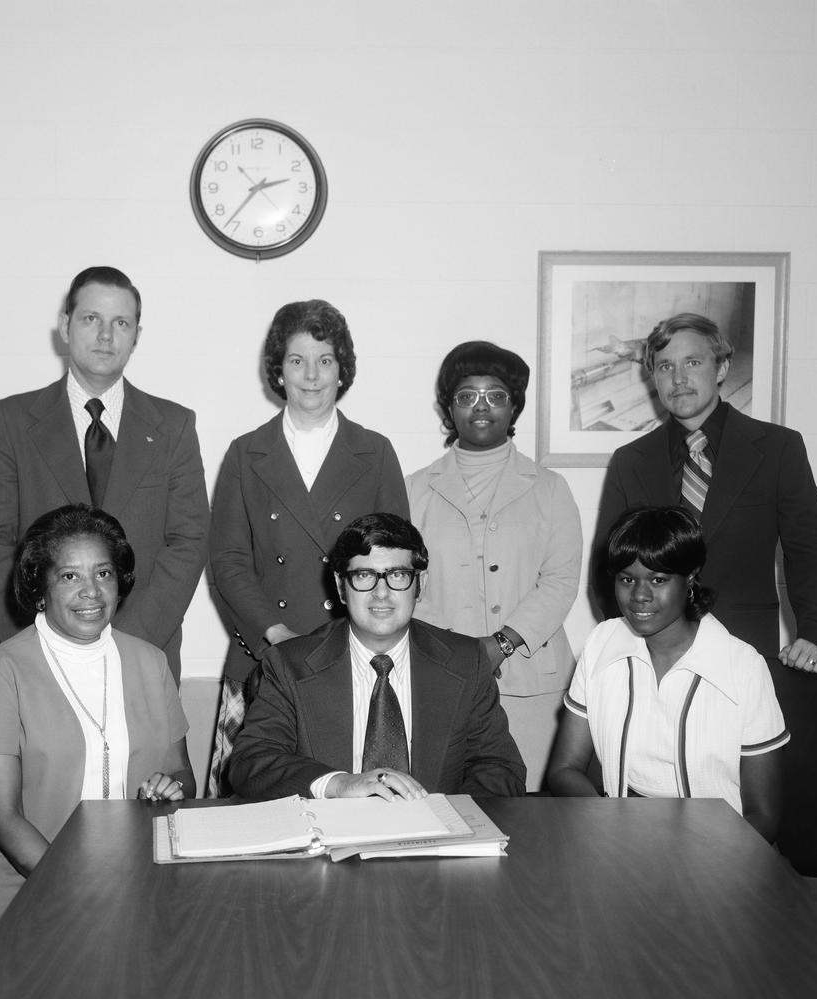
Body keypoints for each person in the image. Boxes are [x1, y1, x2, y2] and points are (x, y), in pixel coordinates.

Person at [0, 505, 194, 955]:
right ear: (39, 589)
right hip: (15, 890)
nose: (91, 592)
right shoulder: (1, 672)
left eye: (104, 573)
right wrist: (88, 891)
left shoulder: (151, 662)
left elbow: (183, 774)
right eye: (69, 576)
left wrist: (169, 789)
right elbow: (2, 820)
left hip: (127, 881)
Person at [0, 266, 209, 680]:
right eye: (91, 319)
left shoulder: (173, 426)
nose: (105, 335)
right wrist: (41, 642)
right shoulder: (11, 420)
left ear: (136, 335)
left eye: (121, 323)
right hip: (39, 662)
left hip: (143, 659)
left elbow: (188, 542)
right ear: (65, 326)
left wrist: (125, 643)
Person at [206, 299, 408, 795]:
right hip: (263, 658)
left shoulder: (375, 451)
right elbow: (227, 562)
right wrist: (275, 634)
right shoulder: (244, 452)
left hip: (350, 660)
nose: (311, 375)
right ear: (278, 371)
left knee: (352, 807)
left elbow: (395, 561)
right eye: (297, 361)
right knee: (248, 815)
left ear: (343, 370)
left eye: (325, 360)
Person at [592, 312, 817, 672]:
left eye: (692, 362)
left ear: (722, 368)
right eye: (664, 367)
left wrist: (816, 634)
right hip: (653, 658)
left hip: (747, 648)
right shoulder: (630, 461)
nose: (678, 379)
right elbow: (607, 567)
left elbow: (811, 550)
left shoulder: (778, 449)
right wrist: (634, 644)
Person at [230, 512, 526, 801]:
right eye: (364, 576)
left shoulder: (466, 661)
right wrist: (339, 784)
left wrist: (444, 816)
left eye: (397, 575)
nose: (381, 593)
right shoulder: (288, 665)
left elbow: (500, 769)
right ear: (340, 587)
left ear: (420, 583)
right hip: (333, 838)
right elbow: (252, 763)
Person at [548, 506, 786, 842]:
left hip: (720, 853)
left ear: (690, 577)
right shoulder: (602, 643)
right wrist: (611, 826)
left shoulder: (742, 667)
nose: (639, 596)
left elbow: (765, 815)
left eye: (658, 580)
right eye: (626, 579)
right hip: (619, 841)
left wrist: (712, 861)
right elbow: (564, 769)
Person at [407, 341, 582, 791]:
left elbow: (560, 581)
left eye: (496, 395)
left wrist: (501, 644)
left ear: (515, 406)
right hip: (441, 685)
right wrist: (454, 656)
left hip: (533, 685)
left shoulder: (550, 488)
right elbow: (404, 586)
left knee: (535, 823)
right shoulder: (413, 490)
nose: (481, 407)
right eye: (467, 396)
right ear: (448, 408)